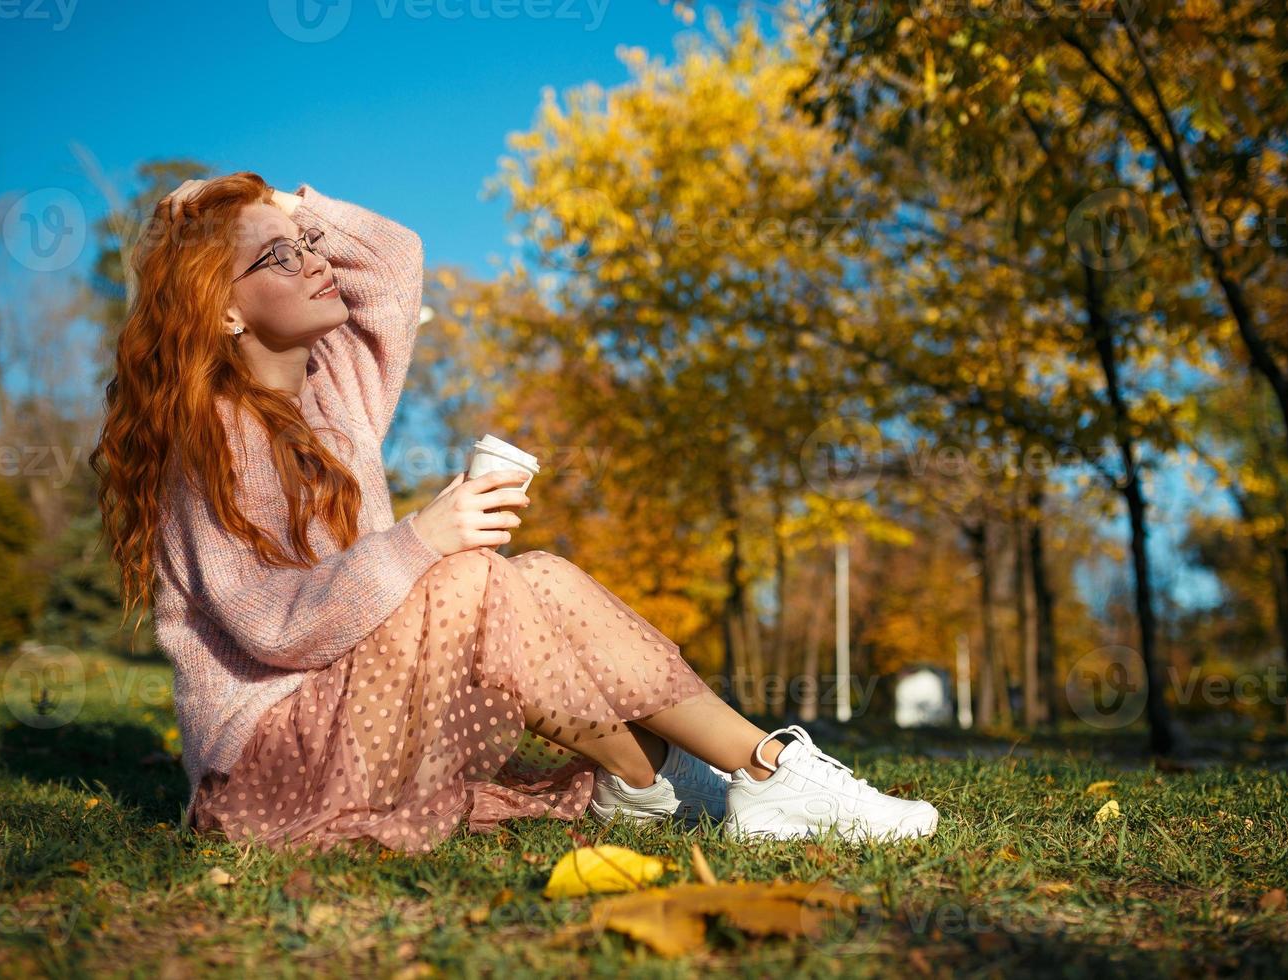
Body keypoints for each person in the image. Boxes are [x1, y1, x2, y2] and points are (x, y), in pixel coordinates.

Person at [88, 171, 939, 855]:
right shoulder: (210, 439)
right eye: (280, 256)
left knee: (543, 574)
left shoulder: (333, 393)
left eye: (310, 247)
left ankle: (756, 770)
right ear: (224, 310)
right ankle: (701, 777)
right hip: (269, 774)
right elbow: (274, 627)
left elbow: (392, 263)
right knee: (465, 575)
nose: (315, 260)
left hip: (360, 721)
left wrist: (283, 205)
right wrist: (422, 539)